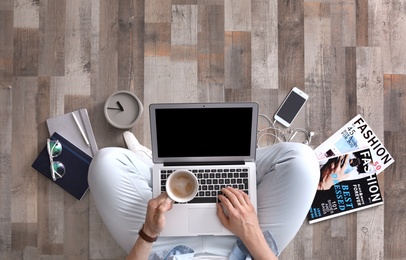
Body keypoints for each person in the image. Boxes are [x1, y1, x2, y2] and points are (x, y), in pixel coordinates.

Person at [88, 133, 319, 259]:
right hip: (246, 247)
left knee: (104, 163)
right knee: (303, 161)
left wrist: (148, 232)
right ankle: (233, 162)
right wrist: (250, 231)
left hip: (164, 249)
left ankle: (157, 169)